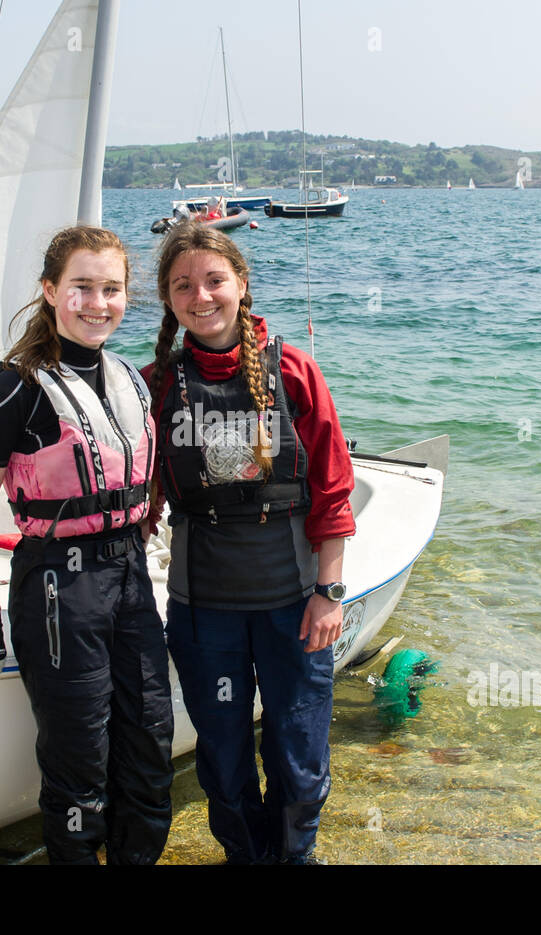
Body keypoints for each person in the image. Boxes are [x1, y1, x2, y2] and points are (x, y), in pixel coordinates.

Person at [0, 225, 173, 865]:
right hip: (58, 586)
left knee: (150, 742)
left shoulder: (128, 378)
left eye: (111, 289)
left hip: (129, 578)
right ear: (51, 291)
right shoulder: (15, 386)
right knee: (80, 760)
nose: (96, 303)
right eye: (81, 287)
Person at [143, 222, 356, 864]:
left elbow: (333, 488)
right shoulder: (155, 383)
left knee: (296, 750)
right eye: (183, 286)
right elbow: (139, 496)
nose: (200, 296)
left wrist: (330, 592)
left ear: (241, 284)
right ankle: (244, 855)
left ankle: (296, 856)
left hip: (293, 606)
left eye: (214, 280)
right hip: (203, 610)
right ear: (168, 298)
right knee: (225, 753)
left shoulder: (292, 369)